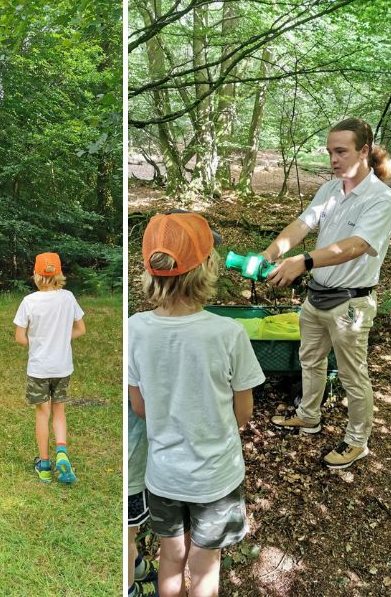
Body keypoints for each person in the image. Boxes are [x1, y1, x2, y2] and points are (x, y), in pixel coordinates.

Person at [128, 212, 265, 597]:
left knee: (171, 556)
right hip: (215, 478)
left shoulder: (135, 329)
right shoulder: (228, 333)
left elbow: (139, 407)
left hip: (163, 475)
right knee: (205, 564)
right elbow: (243, 413)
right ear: (207, 267)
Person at [263, 117, 391, 469]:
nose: (333, 159)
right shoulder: (330, 190)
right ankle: (309, 416)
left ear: (364, 151)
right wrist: (272, 252)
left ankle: (357, 441)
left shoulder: (380, 198)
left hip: (350, 304)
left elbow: (356, 245)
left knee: (354, 376)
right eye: (330, 152)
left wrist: (303, 262)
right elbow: (303, 224)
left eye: (341, 151)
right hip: (316, 297)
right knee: (310, 361)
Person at [13, 253, 85, 484]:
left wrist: (38, 343)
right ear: (58, 274)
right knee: (59, 412)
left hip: (39, 368)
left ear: (36, 274)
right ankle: (62, 452)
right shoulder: (68, 297)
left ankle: (44, 466)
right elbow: (81, 329)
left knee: (42, 414)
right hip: (63, 367)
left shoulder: (29, 301)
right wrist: (62, 340)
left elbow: (20, 338)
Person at [128, 397, 159, 597]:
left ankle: (136, 565)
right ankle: (130, 590)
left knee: (132, 530)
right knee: (127, 534)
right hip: (131, 466)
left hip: (135, 462)